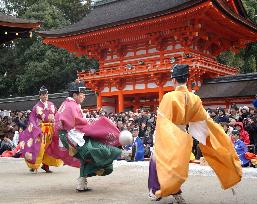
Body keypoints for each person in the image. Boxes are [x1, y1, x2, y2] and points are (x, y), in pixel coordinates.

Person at [148, 64, 242, 203]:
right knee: (177, 166)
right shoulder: (194, 98)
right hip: (183, 135)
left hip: (169, 134)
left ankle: (157, 191)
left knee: (158, 161)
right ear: (187, 79)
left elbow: (163, 121)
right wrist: (218, 137)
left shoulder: (169, 97)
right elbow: (205, 121)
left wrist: (159, 138)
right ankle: (174, 192)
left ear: (173, 80)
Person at [46, 80, 132, 192]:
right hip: (72, 136)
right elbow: (78, 123)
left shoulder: (67, 104)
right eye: (81, 93)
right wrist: (95, 123)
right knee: (93, 149)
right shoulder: (71, 105)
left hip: (69, 135)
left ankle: (81, 183)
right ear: (75, 94)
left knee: (86, 158)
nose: (84, 95)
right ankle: (122, 153)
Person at [19, 86, 63, 173]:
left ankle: (46, 165)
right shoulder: (36, 107)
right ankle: (34, 164)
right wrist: (35, 129)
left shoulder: (51, 104)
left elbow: (57, 115)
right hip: (40, 129)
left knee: (49, 147)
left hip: (50, 129)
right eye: (43, 95)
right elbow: (32, 119)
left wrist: (58, 124)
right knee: (39, 148)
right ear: (39, 96)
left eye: (46, 94)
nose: (45, 96)